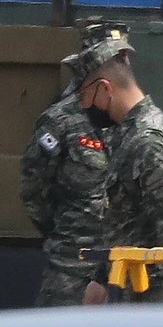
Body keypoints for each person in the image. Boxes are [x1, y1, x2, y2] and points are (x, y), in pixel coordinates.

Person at [78, 22, 163, 304]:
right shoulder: (128, 136)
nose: (83, 105)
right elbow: (131, 223)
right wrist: (102, 278)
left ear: (104, 89)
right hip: (143, 297)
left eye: (84, 96)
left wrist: (157, 314)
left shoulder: (148, 141)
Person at [20, 53, 109, 306]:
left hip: (122, 265)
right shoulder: (61, 120)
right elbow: (33, 187)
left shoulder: (128, 119)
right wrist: (60, 233)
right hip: (72, 264)